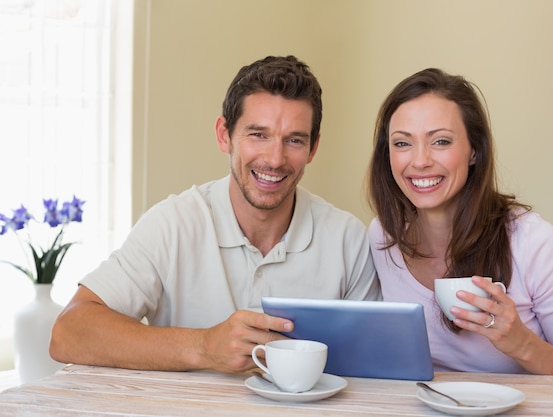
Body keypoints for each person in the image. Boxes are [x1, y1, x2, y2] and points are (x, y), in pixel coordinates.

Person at [50, 55, 380, 374]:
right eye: (258, 135)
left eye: (294, 140)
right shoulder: (172, 224)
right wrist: (204, 347)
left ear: (313, 148)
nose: (275, 159)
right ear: (224, 135)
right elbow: (69, 333)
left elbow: (372, 366)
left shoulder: (347, 240)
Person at [367, 68, 553, 376]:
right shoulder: (384, 236)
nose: (420, 160)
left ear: (474, 151)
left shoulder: (534, 243)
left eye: (440, 141)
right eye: (402, 143)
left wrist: (521, 343)